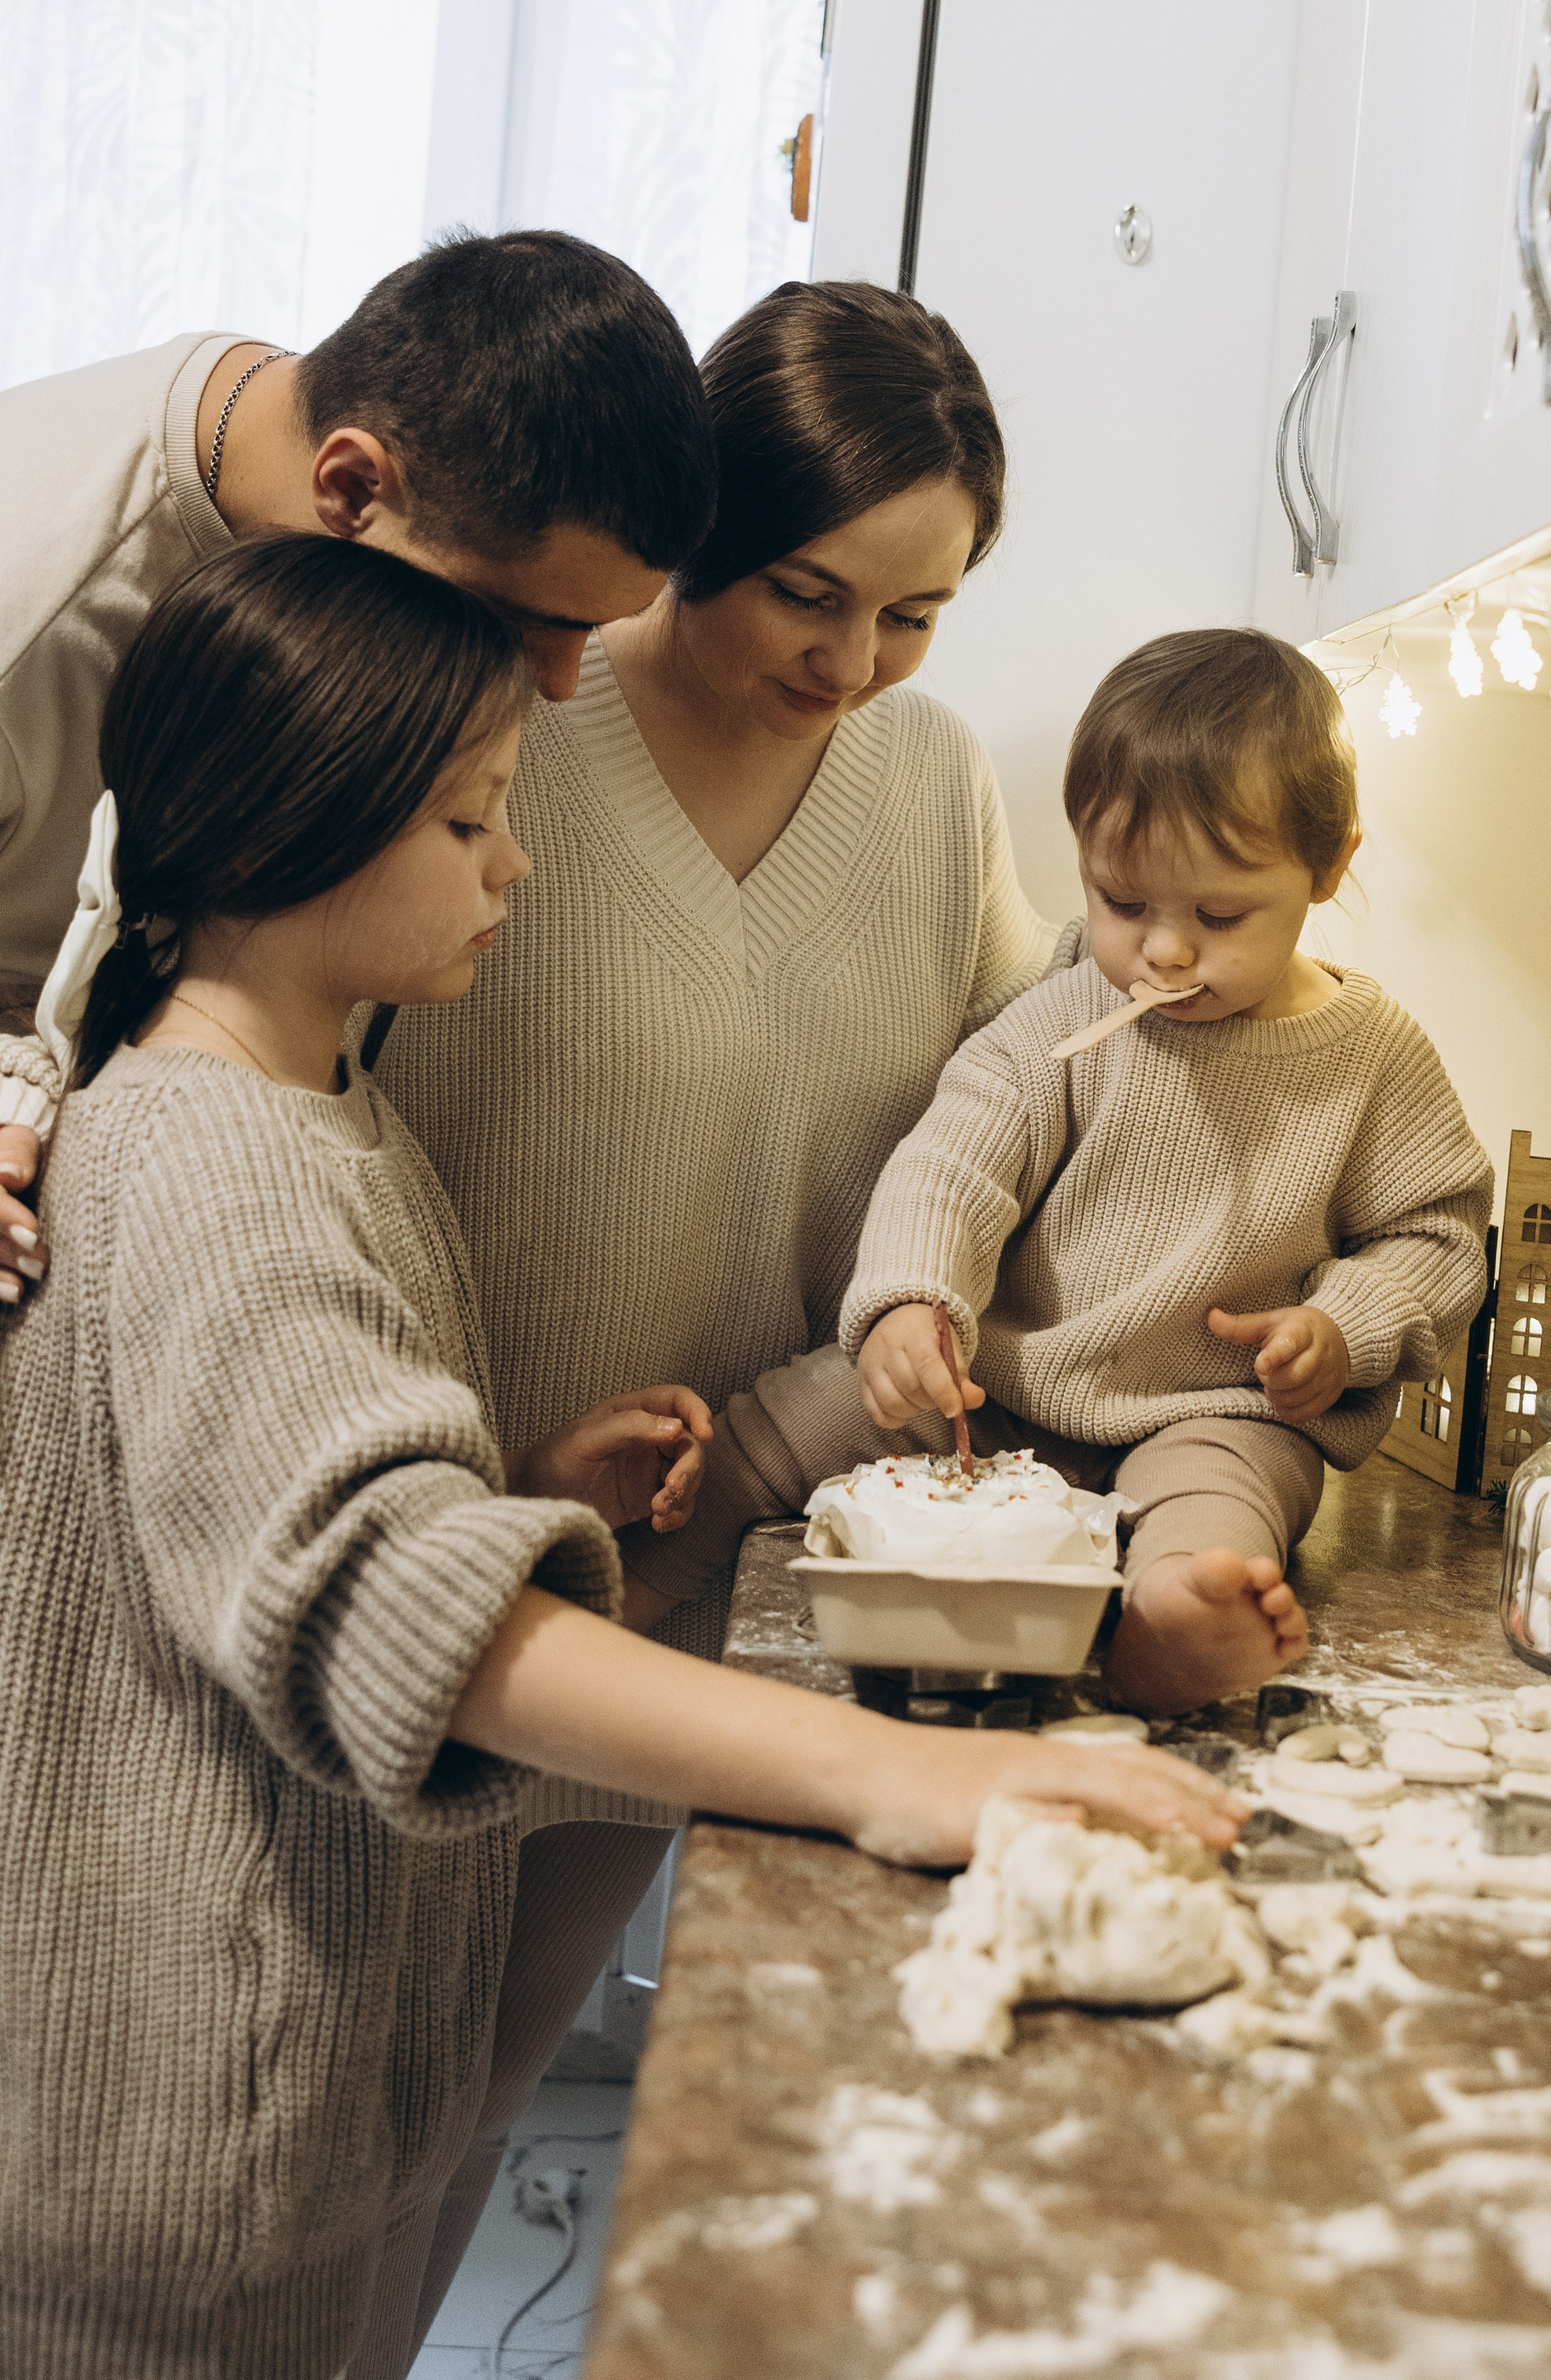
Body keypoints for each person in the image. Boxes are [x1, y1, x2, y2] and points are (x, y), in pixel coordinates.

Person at [0, 536, 1239, 2380]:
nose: (514, 862)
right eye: (468, 822)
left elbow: (240, 1536)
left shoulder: (313, 1108)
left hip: (274, 2116)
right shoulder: (218, 1166)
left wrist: (513, 1487)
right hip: (176, 2170)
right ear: (293, 827)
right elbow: (400, 1620)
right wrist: (890, 1774)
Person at [364, 279, 1061, 2365]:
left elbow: (1026, 1084)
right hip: (419, 1534)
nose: (850, 666)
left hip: (679, 1574)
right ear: (699, 528)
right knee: (318, 2114)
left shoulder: (927, 785)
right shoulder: (508, 717)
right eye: (805, 594)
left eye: (916, 615)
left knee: (483, 2095)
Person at [634, 628, 1495, 1715]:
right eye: (1123, 904)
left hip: (1216, 1407)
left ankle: (1171, 1623)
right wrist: (910, 1303)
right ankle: (637, 1580)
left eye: (1219, 916)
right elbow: (951, 1163)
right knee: (799, 1413)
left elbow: (1439, 1233)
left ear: (1329, 867)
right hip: (1007, 1389)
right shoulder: (1064, 1023)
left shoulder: (1375, 1053)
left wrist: (1344, 1327)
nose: (1164, 952)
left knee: (1231, 1500)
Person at [0, 225, 716, 1274]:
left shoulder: (357, 434)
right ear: (350, 487)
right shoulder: (32, 611)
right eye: (531, 622)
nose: (561, 685)